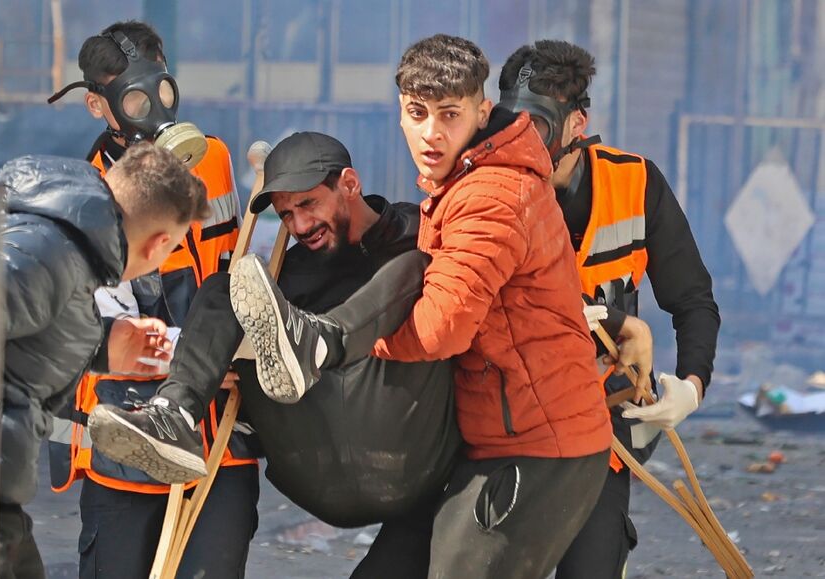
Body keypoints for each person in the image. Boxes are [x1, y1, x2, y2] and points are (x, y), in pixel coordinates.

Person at [229, 34, 615, 578]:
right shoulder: (461, 182)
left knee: (412, 270)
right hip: (486, 441)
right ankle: (317, 340)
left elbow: (440, 332)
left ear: (482, 113)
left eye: (449, 115)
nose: (431, 133)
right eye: (418, 113)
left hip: (539, 447)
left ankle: (322, 342)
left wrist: (359, 356)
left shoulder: (491, 195)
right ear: (401, 115)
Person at [88, 131, 461, 578]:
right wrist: (224, 360)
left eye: (307, 204)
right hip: (318, 460)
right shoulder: (292, 271)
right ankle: (174, 415)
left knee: (421, 266)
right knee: (225, 290)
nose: (299, 226)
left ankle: (318, 342)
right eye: (287, 214)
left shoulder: (419, 232)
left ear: (349, 183)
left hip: (403, 449)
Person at [496, 40, 721, 578]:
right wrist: (621, 323)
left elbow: (693, 300)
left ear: (577, 122)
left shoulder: (636, 184)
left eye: (539, 126)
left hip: (600, 434)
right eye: (512, 126)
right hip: (503, 429)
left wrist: (691, 386)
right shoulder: (489, 191)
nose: (524, 145)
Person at [45, 21, 258, 579]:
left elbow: (234, 275)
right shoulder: (83, 197)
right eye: (133, 97)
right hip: (126, 443)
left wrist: (237, 354)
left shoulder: (211, 160)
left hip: (219, 442)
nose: (152, 109)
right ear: (98, 104)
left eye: (160, 91)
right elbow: (108, 336)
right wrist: (203, 362)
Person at [0, 142, 207, 579]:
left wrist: (105, 346)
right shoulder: (48, 249)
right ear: (160, 244)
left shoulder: (66, 245)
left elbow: (16, 336)